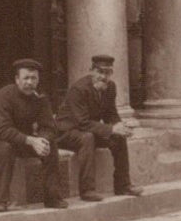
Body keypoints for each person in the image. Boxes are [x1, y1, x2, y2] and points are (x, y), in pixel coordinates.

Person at [56, 54, 142, 201]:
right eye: (100, 72)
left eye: (107, 72)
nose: (103, 76)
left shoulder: (110, 87)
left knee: (118, 138)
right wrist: (111, 129)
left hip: (87, 130)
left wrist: (120, 126)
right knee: (87, 137)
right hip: (65, 133)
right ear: (91, 71)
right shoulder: (78, 89)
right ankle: (87, 190)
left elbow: (111, 114)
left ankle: (123, 185)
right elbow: (82, 122)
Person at [0, 59, 66, 213]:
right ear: (17, 79)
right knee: (5, 149)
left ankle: (52, 197)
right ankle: (0, 200)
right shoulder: (4, 95)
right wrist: (31, 141)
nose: (30, 82)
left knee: (50, 145)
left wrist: (42, 140)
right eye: (26, 78)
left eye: (34, 78)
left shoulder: (40, 98)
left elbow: (49, 127)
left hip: (23, 137)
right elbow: (3, 130)